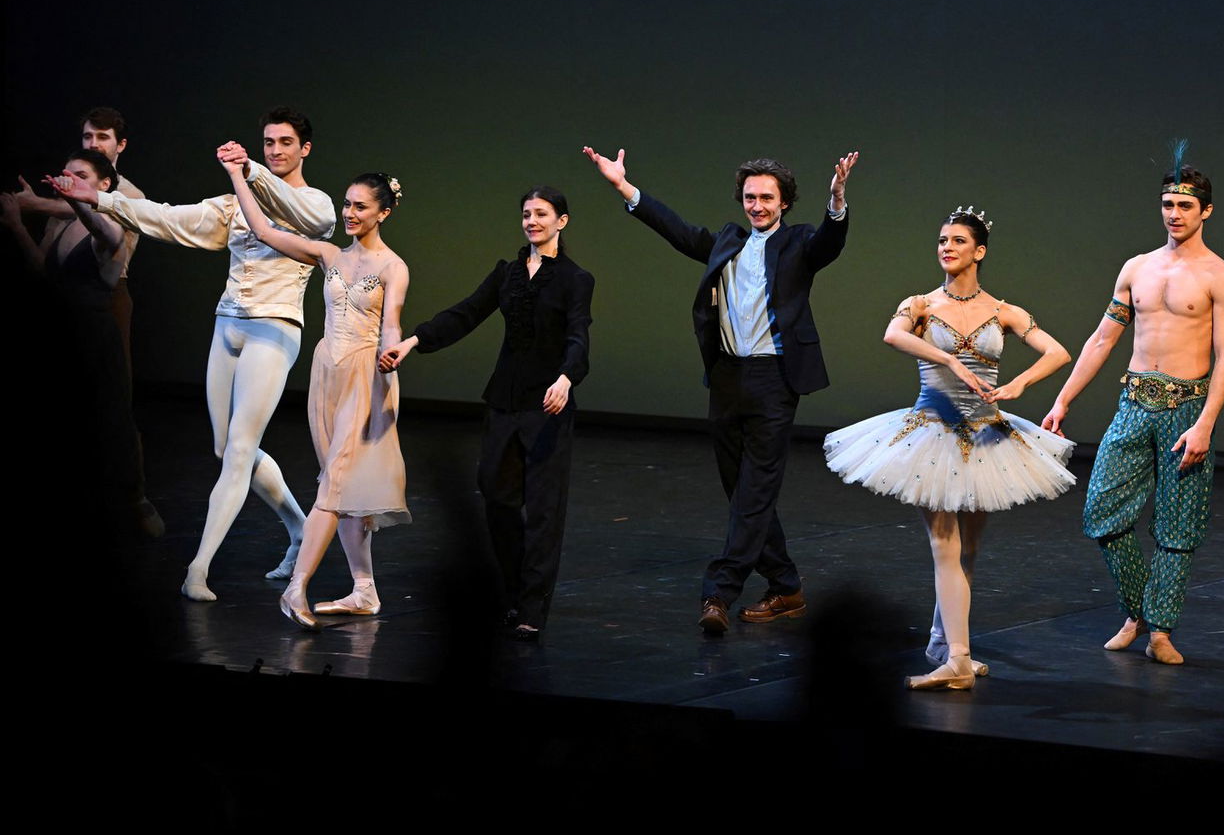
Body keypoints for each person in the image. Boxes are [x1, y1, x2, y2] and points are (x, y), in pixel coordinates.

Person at [52, 108, 335, 601]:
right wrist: (98, 196)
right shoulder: (232, 205)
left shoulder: (316, 204)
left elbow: (301, 214)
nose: (275, 151)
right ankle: (301, 528)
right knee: (226, 449)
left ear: (304, 149)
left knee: (243, 448)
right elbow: (164, 217)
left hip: (275, 327)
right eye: (268, 143)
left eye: (285, 143)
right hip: (228, 324)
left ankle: (197, 569)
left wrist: (250, 171)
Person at [583, 145, 858, 634]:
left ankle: (719, 593)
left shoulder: (798, 243)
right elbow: (675, 229)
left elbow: (829, 245)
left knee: (754, 492)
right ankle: (787, 584)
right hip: (728, 377)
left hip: (775, 379)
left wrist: (836, 200)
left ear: (784, 203)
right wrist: (623, 186)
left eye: (766, 198)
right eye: (750, 197)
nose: (756, 206)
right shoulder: (726, 241)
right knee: (742, 491)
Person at [824, 207, 1076, 689]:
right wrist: (946, 358)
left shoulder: (1005, 311)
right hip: (933, 432)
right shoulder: (919, 305)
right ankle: (957, 656)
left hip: (986, 433)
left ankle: (947, 646)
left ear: (978, 251)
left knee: (970, 550)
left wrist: (1020, 384)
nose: (947, 247)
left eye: (958, 240)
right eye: (942, 239)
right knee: (946, 545)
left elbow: (1058, 352)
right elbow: (892, 335)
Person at [1042, 143, 1224, 666]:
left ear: (1206, 211)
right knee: (1101, 514)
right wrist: (1063, 399)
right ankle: (1138, 610)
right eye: (1167, 205)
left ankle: (1160, 632)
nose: (1174, 215)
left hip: (1186, 408)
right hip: (1134, 402)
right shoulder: (1136, 269)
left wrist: (1204, 426)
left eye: (1184, 206)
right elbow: (1102, 340)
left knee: (1177, 531)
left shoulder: (1221, 277)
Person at [380, 186, 592, 641]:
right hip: (503, 402)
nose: (532, 221)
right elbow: (467, 313)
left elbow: (579, 335)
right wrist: (414, 341)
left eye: (541, 214)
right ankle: (513, 593)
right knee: (496, 499)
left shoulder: (575, 279)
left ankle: (532, 608)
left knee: (543, 511)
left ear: (562, 221)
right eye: (526, 214)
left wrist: (567, 377)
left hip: (548, 406)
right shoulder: (508, 273)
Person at [221, 154, 411, 629]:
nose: (349, 214)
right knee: (341, 483)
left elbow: (391, 325)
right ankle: (364, 590)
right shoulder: (331, 255)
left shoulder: (393, 267)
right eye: (347, 205)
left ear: (383, 213)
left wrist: (393, 353)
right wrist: (235, 175)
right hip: (328, 373)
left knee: (336, 482)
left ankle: (296, 587)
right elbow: (265, 231)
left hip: (367, 377)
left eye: (360, 207)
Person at [12, 107, 160, 535]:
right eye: (87, 137)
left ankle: (134, 497)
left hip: (106, 302)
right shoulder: (66, 197)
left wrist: (37, 202)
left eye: (102, 138)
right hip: (63, 308)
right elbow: (46, 259)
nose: (93, 144)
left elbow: (106, 229)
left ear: (121, 145)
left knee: (115, 401)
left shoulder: (128, 193)